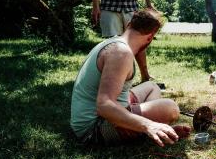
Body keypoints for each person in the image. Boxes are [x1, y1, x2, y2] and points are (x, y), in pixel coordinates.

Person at [70, 9, 190, 147]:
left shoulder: (113, 42)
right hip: (93, 130)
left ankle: (156, 130)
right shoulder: (121, 53)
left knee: (152, 87)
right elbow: (104, 106)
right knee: (171, 108)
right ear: (150, 37)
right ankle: (151, 129)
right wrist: (149, 125)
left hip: (100, 118)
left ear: (128, 25)